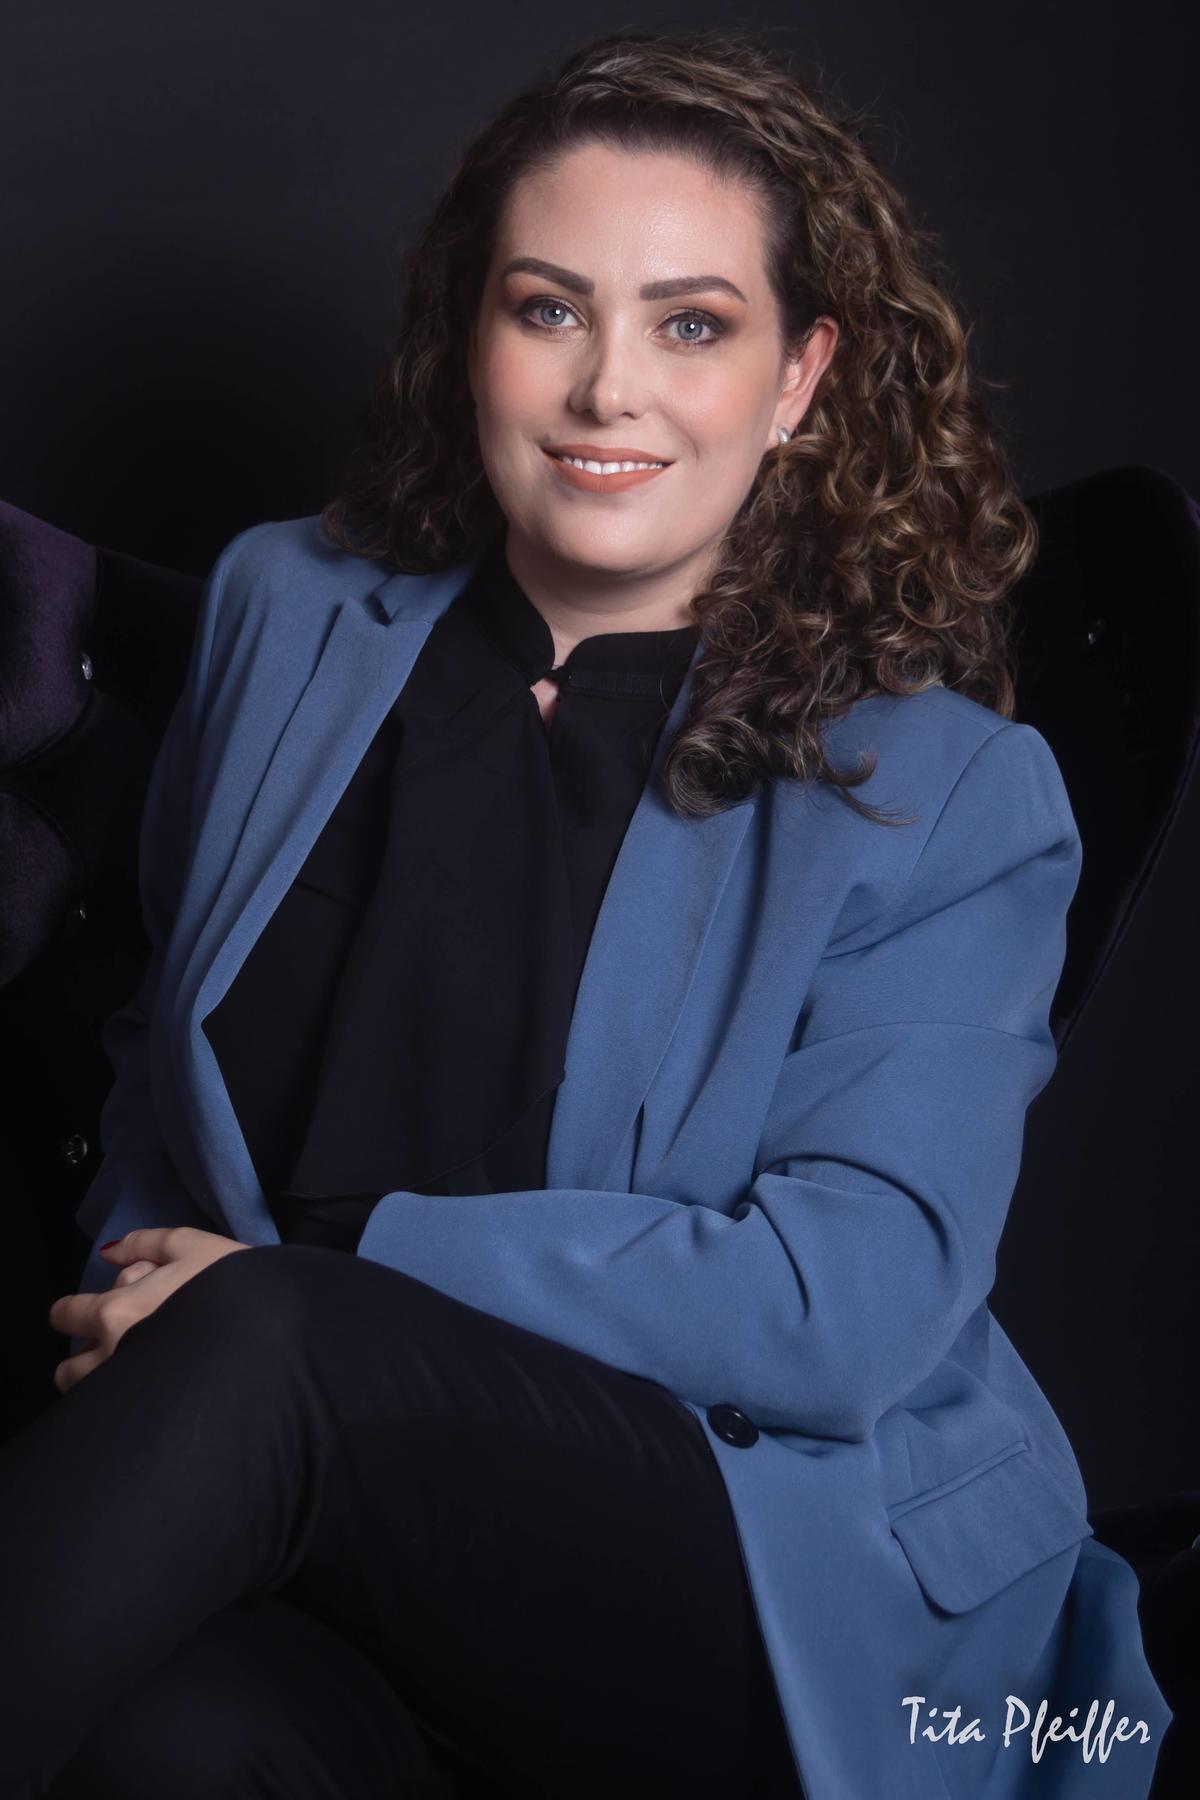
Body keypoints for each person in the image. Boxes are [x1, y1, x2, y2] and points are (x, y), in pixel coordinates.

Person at [1, 25, 1171, 1800]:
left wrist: (319, 1282)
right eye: (549, 309)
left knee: (277, 1340)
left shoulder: (947, 787)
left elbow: (841, 1306)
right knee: (172, 1741)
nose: (608, 388)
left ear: (799, 377)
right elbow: (160, 1048)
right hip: (319, 1509)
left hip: (763, 1556)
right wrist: (130, 1291)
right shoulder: (285, 612)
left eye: (693, 325)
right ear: (470, 331)